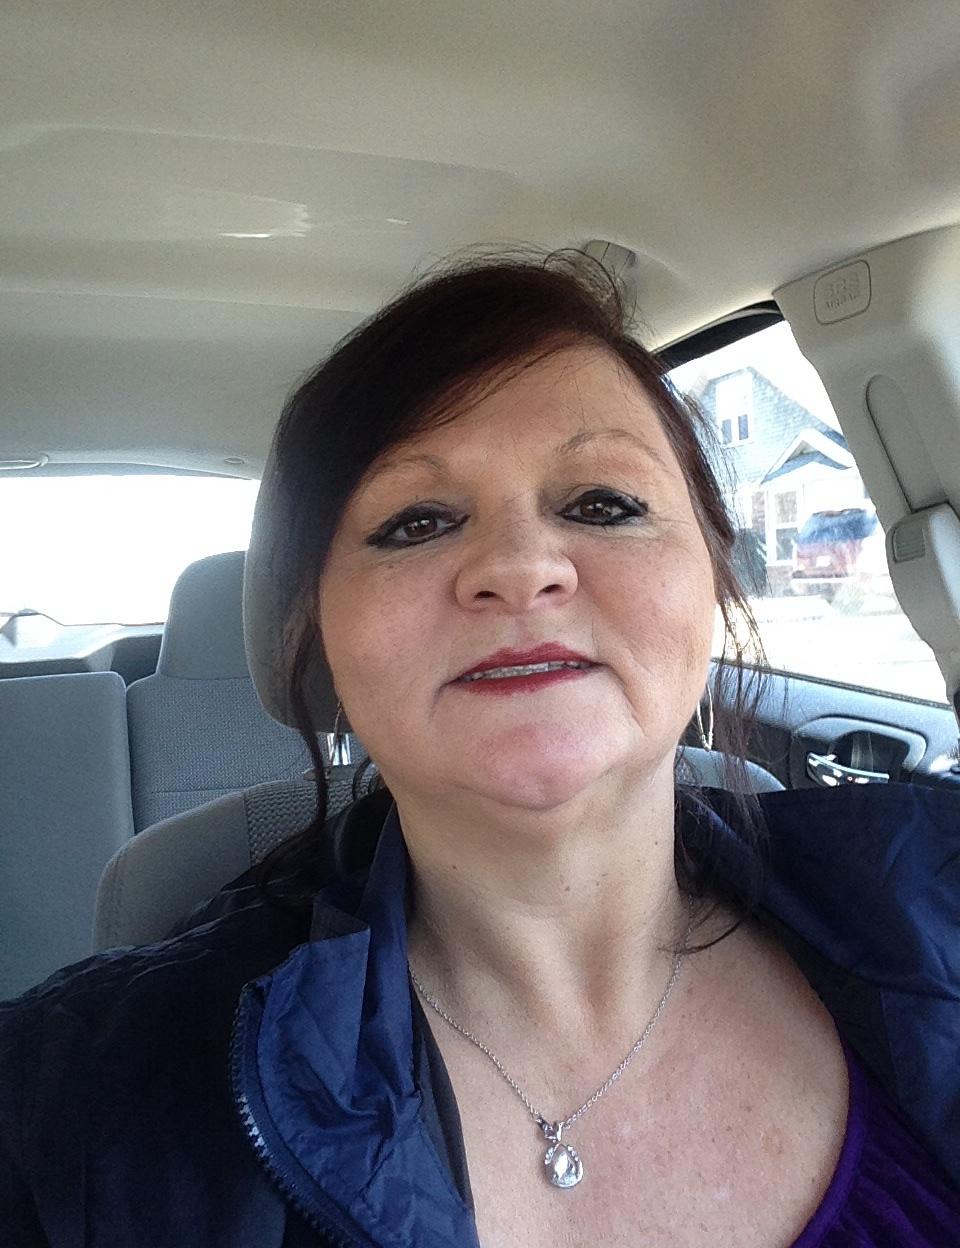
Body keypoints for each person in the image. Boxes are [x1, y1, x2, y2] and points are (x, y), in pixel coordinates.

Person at [2, 252, 958, 1247]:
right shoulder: (76, 1114)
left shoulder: (941, 898)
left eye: (602, 503)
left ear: (712, 576)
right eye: (416, 521)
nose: (520, 567)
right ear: (317, 634)